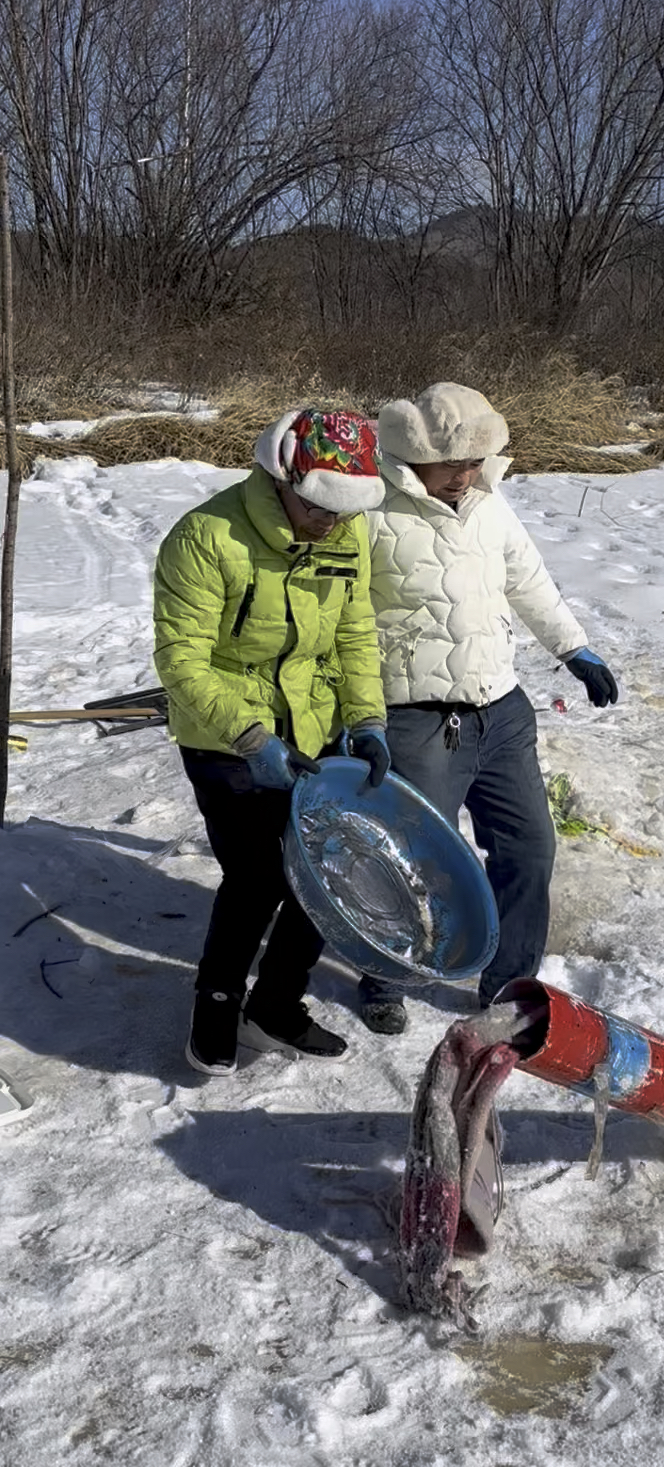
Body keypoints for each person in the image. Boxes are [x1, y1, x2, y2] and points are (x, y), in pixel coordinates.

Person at [359, 382, 618, 1035]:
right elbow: (342, 621)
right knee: (419, 860)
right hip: (419, 719)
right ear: (416, 456)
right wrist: (356, 715)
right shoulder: (368, 511)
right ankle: (388, 976)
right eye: (454, 463)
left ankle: (507, 982)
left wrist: (574, 648)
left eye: (476, 461)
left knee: (529, 849)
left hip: (499, 708)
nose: (467, 475)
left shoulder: (488, 505)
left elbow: (527, 579)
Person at [153, 407, 391, 1075]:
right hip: (225, 734)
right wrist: (250, 736)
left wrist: (368, 721)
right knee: (258, 876)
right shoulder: (206, 537)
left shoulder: (345, 532)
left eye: (344, 510)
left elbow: (354, 633)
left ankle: (276, 1005)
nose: (331, 522)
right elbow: (180, 661)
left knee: (326, 871)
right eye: (319, 506)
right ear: (282, 478)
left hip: (312, 726)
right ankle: (217, 999)